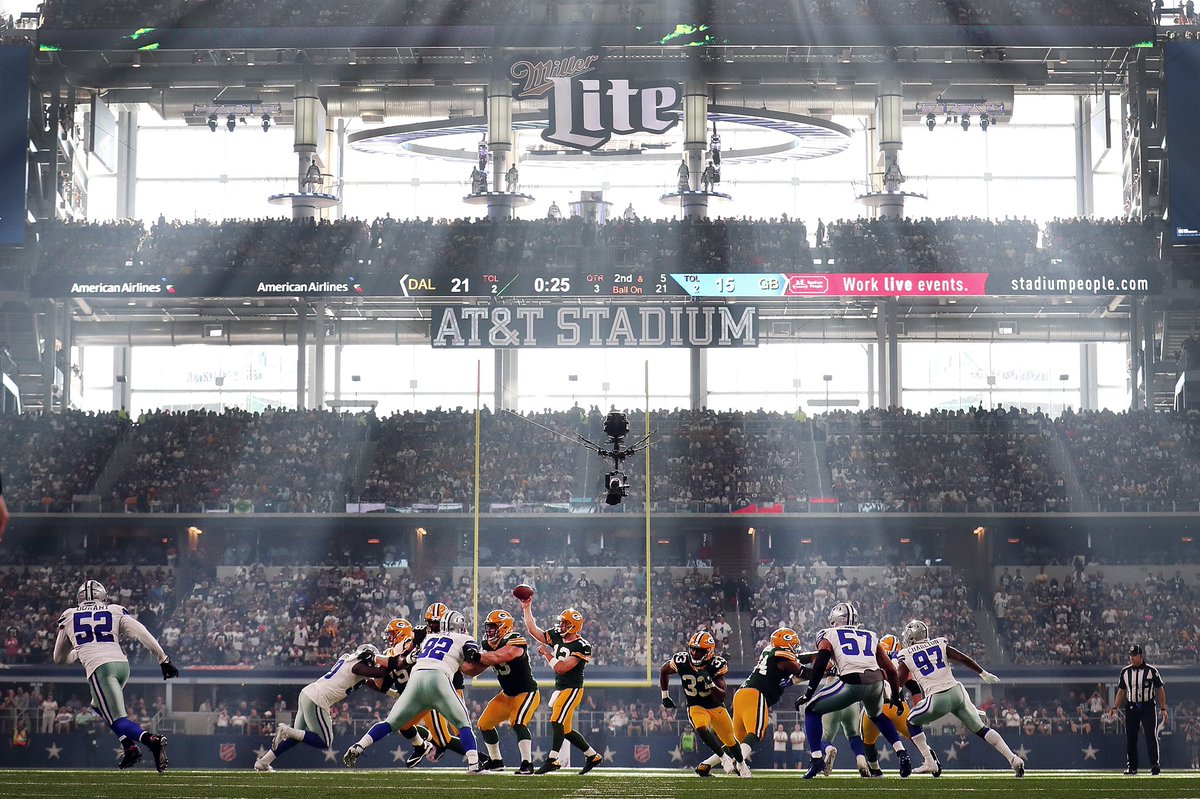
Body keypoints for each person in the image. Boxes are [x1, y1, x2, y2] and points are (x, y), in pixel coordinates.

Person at [53, 580, 178, 772]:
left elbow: (59, 658)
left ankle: (151, 740)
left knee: (119, 719)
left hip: (100, 668)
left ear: (79, 598)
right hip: (121, 666)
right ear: (103, 596)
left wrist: (77, 652)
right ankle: (129, 748)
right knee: (97, 705)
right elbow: (142, 632)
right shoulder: (114, 610)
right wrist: (163, 658)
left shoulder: (70, 615)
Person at [343, 608, 489, 772]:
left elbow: (401, 661)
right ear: (460, 626)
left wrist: (374, 660)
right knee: (463, 724)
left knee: (390, 723)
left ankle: (359, 745)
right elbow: (472, 659)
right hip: (438, 679)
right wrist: (486, 657)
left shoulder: (428, 638)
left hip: (416, 679)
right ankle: (474, 764)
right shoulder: (464, 638)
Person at [895, 619, 1024, 777]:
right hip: (957, 693)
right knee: (982, 730)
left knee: (911, 721)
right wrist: (983, 673)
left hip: (937, 698)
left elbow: (899, 682)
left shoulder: (906, 654)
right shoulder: (939, 643)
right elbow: (962, 658)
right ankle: (1014, 759)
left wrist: (896, 698)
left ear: (913, 636)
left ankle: (930, 762)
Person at [796, 602, 911, 779]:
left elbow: (820, 663)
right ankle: (902, 753)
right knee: (877, 715)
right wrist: (896, 696)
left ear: (834, 620)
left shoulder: (828, 633)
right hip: (876, 682)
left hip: (851, 682)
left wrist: (809, 692)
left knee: (811, 709)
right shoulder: (870, 635)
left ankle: (817, 758)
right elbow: (890, 670)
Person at [254, 642, 396, 771]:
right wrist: (395, 662)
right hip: (318, 699)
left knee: (297, 736)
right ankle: (287, 730)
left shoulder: (348, 660)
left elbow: (373, 683)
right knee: (324, 740)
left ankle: (263, 762)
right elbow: (381, 672)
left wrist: (395, 694)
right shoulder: (358, 665)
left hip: (308, 693)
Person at [518, 595, 603, 775]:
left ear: (575, 626)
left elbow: (563, 668)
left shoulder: (582, 646)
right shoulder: (557, 635)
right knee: (566, 729)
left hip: (572, 689)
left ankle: (553, 759)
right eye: (562, 623)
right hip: (561, 688)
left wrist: (547, 654)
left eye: (566, 624)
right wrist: (527, 608)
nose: (562, 626)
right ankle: (592, 756)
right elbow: (534, 630)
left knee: (556, 720)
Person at [660, 630, 748, 777]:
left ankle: (741, 764)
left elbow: (722, 696)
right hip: (696, 705)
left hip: (715, 706)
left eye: (699, 651)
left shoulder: (716, 664)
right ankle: (723, 757)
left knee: (730, 740)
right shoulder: (681, 660)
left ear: (708, 652)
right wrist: (665, 696)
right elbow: (663, 670)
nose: (694, 654)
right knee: (701, 728)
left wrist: (710, 683)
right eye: (693, 650)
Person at [469, 609, 540, 775]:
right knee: (484, 724)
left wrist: (475, 655)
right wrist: (457, 661)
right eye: (489, 627)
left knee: (518, 721)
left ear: (504, 627)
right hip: (507, 694)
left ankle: (527, 764)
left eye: (493, 627)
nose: (489, 630)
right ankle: (496, 761)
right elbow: (474, 670)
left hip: (526, 692)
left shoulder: (515, 640)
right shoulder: (487, 644)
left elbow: (500, 657)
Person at [862, 633, 940, 776]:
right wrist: (919, 710)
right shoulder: (902, 661)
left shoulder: (872, 658)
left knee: (868, 741)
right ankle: (932, 759)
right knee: (916, 738)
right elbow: (914, 688)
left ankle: (875, 770)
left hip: (876, 706)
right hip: (899, 707)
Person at [732, 627, 805, 769]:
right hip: (755, 694)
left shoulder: (769, 651)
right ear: (785, 645)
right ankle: (740, 762)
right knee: (757, 732)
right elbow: (802, 671)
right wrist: (824, 670)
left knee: (736, 741)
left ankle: (707, 764)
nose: (796, 647)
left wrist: (817, 656)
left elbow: (800, 658)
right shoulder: (783, 658)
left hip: (741, 693)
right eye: (793, 644)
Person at [1109, 644, 1168, 775]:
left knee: (1151, 735)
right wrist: (1115, 707)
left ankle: (1154, 765)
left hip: (1147, 706)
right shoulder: (1125, 671)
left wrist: (1163, 707)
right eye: (1130, 655)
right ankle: (1132, 767)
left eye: (1134, 655)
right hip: (1131, 706)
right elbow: (1121, 691)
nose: (1131, 658)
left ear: (1141, 656)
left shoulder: (1152, 671)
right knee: (1131, 737)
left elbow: (1160, 689)